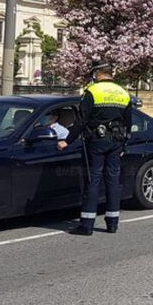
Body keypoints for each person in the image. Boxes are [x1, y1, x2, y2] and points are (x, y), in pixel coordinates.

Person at [59, 62, 132, 236]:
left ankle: (86, 225)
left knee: (93, 180)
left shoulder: (92, 91)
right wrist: (124, 144)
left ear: (98, 73)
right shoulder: (123, 92)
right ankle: (112, 223)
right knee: (113, 180)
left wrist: (67, 141)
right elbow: (128, 122)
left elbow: (81, 120)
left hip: (97, 142)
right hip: (116, 141)